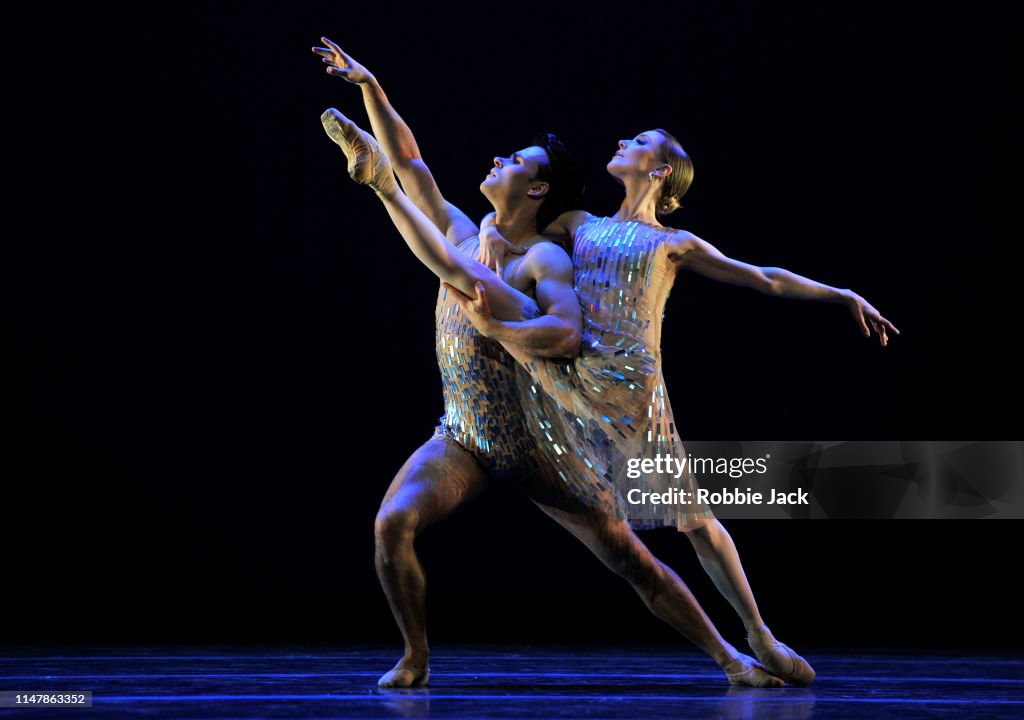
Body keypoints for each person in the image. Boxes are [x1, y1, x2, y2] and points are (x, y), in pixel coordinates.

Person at [312, 38, 787, 689]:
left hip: (544, 441)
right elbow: (413, 160)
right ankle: (415, 656)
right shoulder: (456, 228)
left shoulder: (546, 260)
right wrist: (369, 85)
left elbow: (563, 332)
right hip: (468, 435)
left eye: (513, 160)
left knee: (634, 562)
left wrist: (387, 193)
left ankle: (734, 659)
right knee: (391, 523)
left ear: (535, 188)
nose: (495, 158)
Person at [451, 128, 900, 686]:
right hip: (570, 373)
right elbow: (514, 219)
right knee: (600, 515)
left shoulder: (674, 243)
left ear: (660, 171)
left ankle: (757, 632)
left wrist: (843, 295)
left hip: (631, 391)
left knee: (694, 521)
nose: (621, 140)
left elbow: (764, 279)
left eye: (638, 140)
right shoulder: (578, 224)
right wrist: (491, 229)